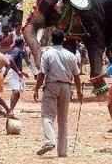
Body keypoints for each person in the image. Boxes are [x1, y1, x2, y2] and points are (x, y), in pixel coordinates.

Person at [33, 29, 83, 157]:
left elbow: (42, 74)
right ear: (64, 39)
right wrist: (78, 91)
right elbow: (77, 76)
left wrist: (36, 88)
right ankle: (62, 151)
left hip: (51, 85)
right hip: (66, 87)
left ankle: (49, 141)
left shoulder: (47, 54)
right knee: (63, 120)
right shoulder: (70, 55)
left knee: (47, 116)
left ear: (51, 39)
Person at [4, 38, 31, 119]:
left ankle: (10, 110)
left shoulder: (18, 50)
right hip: (13, 73)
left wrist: (21, 72)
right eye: (24, 44)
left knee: (17, 93)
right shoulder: (17, 50)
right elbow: (11, 60)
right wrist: (18, 72)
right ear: (22, 43)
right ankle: (10, 111)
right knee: (16, 91)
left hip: (15, 72)